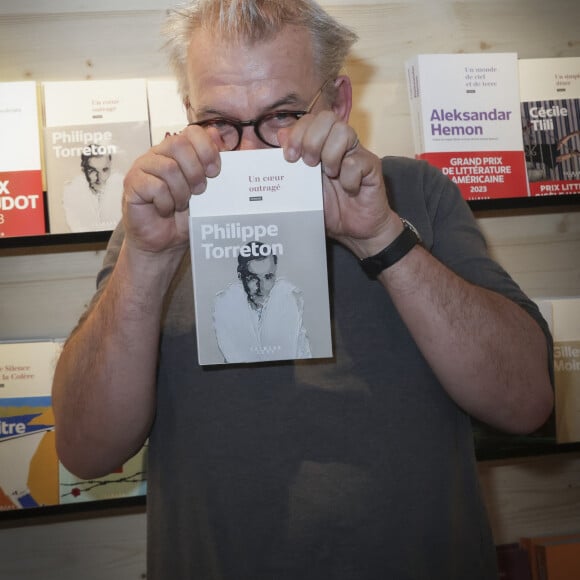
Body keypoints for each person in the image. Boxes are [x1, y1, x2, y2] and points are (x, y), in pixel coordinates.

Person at [51, 1, 554, 579]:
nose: (248, 152)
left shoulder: (414, 192)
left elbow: (526, 403)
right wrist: (147, 259)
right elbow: (86, 452)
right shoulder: (158, 223)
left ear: (337, 104)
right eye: (218, 122)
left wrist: (382, 237)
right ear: (187, 114)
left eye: (283, 115)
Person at [213, 241, 312, 363]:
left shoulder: (291, 300)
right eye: (253, 278)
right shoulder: (225, 305)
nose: (262, 287)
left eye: (268, 277)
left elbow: (303, 354)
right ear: (240, 277)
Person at [62, 148, 124, 232]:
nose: (99, 177)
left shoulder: (122, 189)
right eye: (92, 171)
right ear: (84, 171)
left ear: (110, 168)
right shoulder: (71, 194)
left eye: (105, 170)